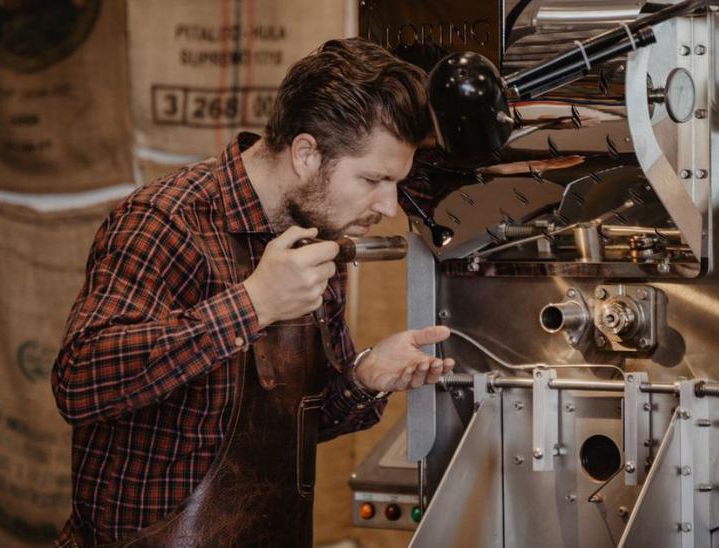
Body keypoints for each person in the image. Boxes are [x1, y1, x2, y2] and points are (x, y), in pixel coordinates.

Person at [51, 38, 455, 546]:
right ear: (307, 154)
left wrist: (366, 376)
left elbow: (288, 429)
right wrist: (252, 304)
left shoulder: (317, 233)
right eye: (373, 179)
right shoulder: (167, 222)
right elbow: (79, 381)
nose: (390, 206)